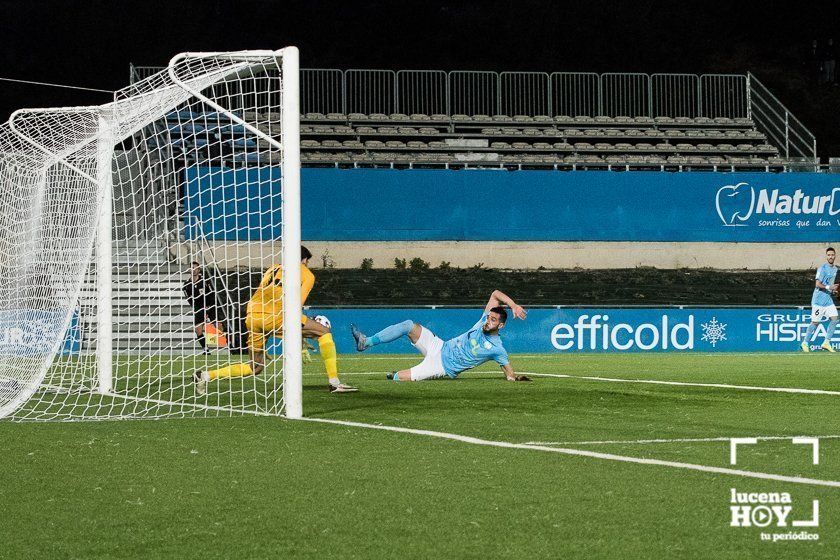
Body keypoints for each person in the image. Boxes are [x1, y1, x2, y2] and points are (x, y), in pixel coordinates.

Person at [195, 246, 357, 394]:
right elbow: (295, 306)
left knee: (255, 366)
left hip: (253, 316)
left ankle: (206, 375)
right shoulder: (306, 274)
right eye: (307, 261)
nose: (307, 264)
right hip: (276, 316)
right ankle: (334, 383)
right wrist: (300, 335)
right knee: (324, 332)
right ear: (303, 260)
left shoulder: (273, 269)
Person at [351, 290, 531, 382]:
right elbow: (495, 294)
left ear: (501, 325)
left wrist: (514, 378)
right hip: (439, 346)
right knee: (409, 325)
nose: (487, 321)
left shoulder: (498, 348)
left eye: (493, 320)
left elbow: (509, 373)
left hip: (441, 366)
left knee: (398, 378)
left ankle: (396, 374)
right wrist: (513, 305)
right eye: (489, 318)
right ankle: (366, 342)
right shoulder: (483, 319)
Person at [801, 247, 838, 352]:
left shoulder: (836, 270)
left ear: (835, 256)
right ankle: (805, 342)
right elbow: (817, 284)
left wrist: (833, 290)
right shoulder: (822, 268)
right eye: (829, 255)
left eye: (832, 255)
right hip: (818, 300)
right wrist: (828, 287)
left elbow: (832, 285)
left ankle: (826, 342)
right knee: (815, 323)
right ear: (826, 256)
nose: (831, 256)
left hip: (828, 300)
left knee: (835, 318)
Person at [182, 261, 223, 354]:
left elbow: (212, 293)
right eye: (192, 268)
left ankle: (229, 345)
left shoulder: (205, 281)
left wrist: (210, 306)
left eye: (195, 268)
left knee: (219, 327)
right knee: (198, 330)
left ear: (199, 269)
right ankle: (206, 349)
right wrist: (196, 308)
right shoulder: (186, 285)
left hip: (210, 306)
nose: (193, 270)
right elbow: (189, 299)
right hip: (199, 309)